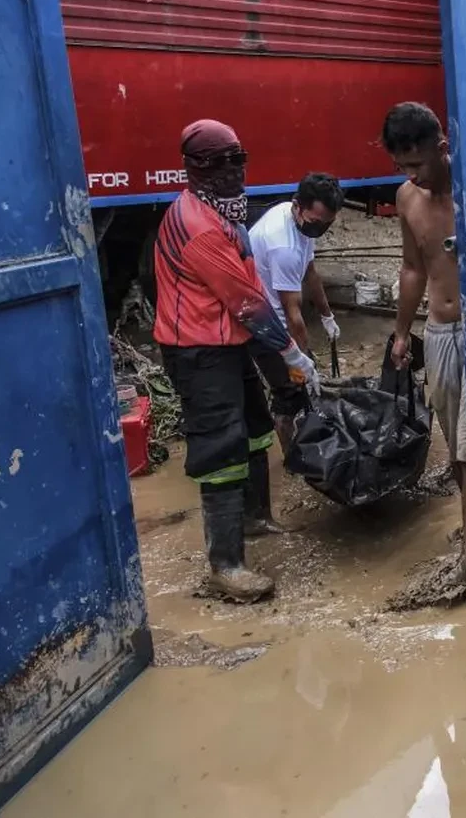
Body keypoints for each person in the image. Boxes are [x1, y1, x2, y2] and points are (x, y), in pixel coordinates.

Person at [153, 119, 320, 603]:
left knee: (255, 428)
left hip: (229, 341)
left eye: (237, 159)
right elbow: (247, 302)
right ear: (192, 169)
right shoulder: (200, 226)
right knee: (220, 446)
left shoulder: (223, 213)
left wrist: (283, 364)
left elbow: (249, 300)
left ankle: (255, 518)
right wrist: (291, 353)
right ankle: (225, 566)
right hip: (198, 351)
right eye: (217, 163)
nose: (231, 172)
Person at [382, 103, 466, 586]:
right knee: (451, 438)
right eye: (402, 167)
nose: (412, 176)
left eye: (418, 164)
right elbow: (413, 268)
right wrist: (403, 333)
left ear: (442, 146)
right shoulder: (406, 199)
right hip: (439, 332)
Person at [248, 172, 344, 454]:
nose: (320, 229)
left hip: (272, 310)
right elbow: (293, 315)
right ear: (297, 205)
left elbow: (311, 273)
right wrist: (300, 359)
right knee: (291, 388)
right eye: (317, 222)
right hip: (262, 322)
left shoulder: (301, 222)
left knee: (303, 382)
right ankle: (292, 457)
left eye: (327, 224)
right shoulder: (284, 246)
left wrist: (327, 316)